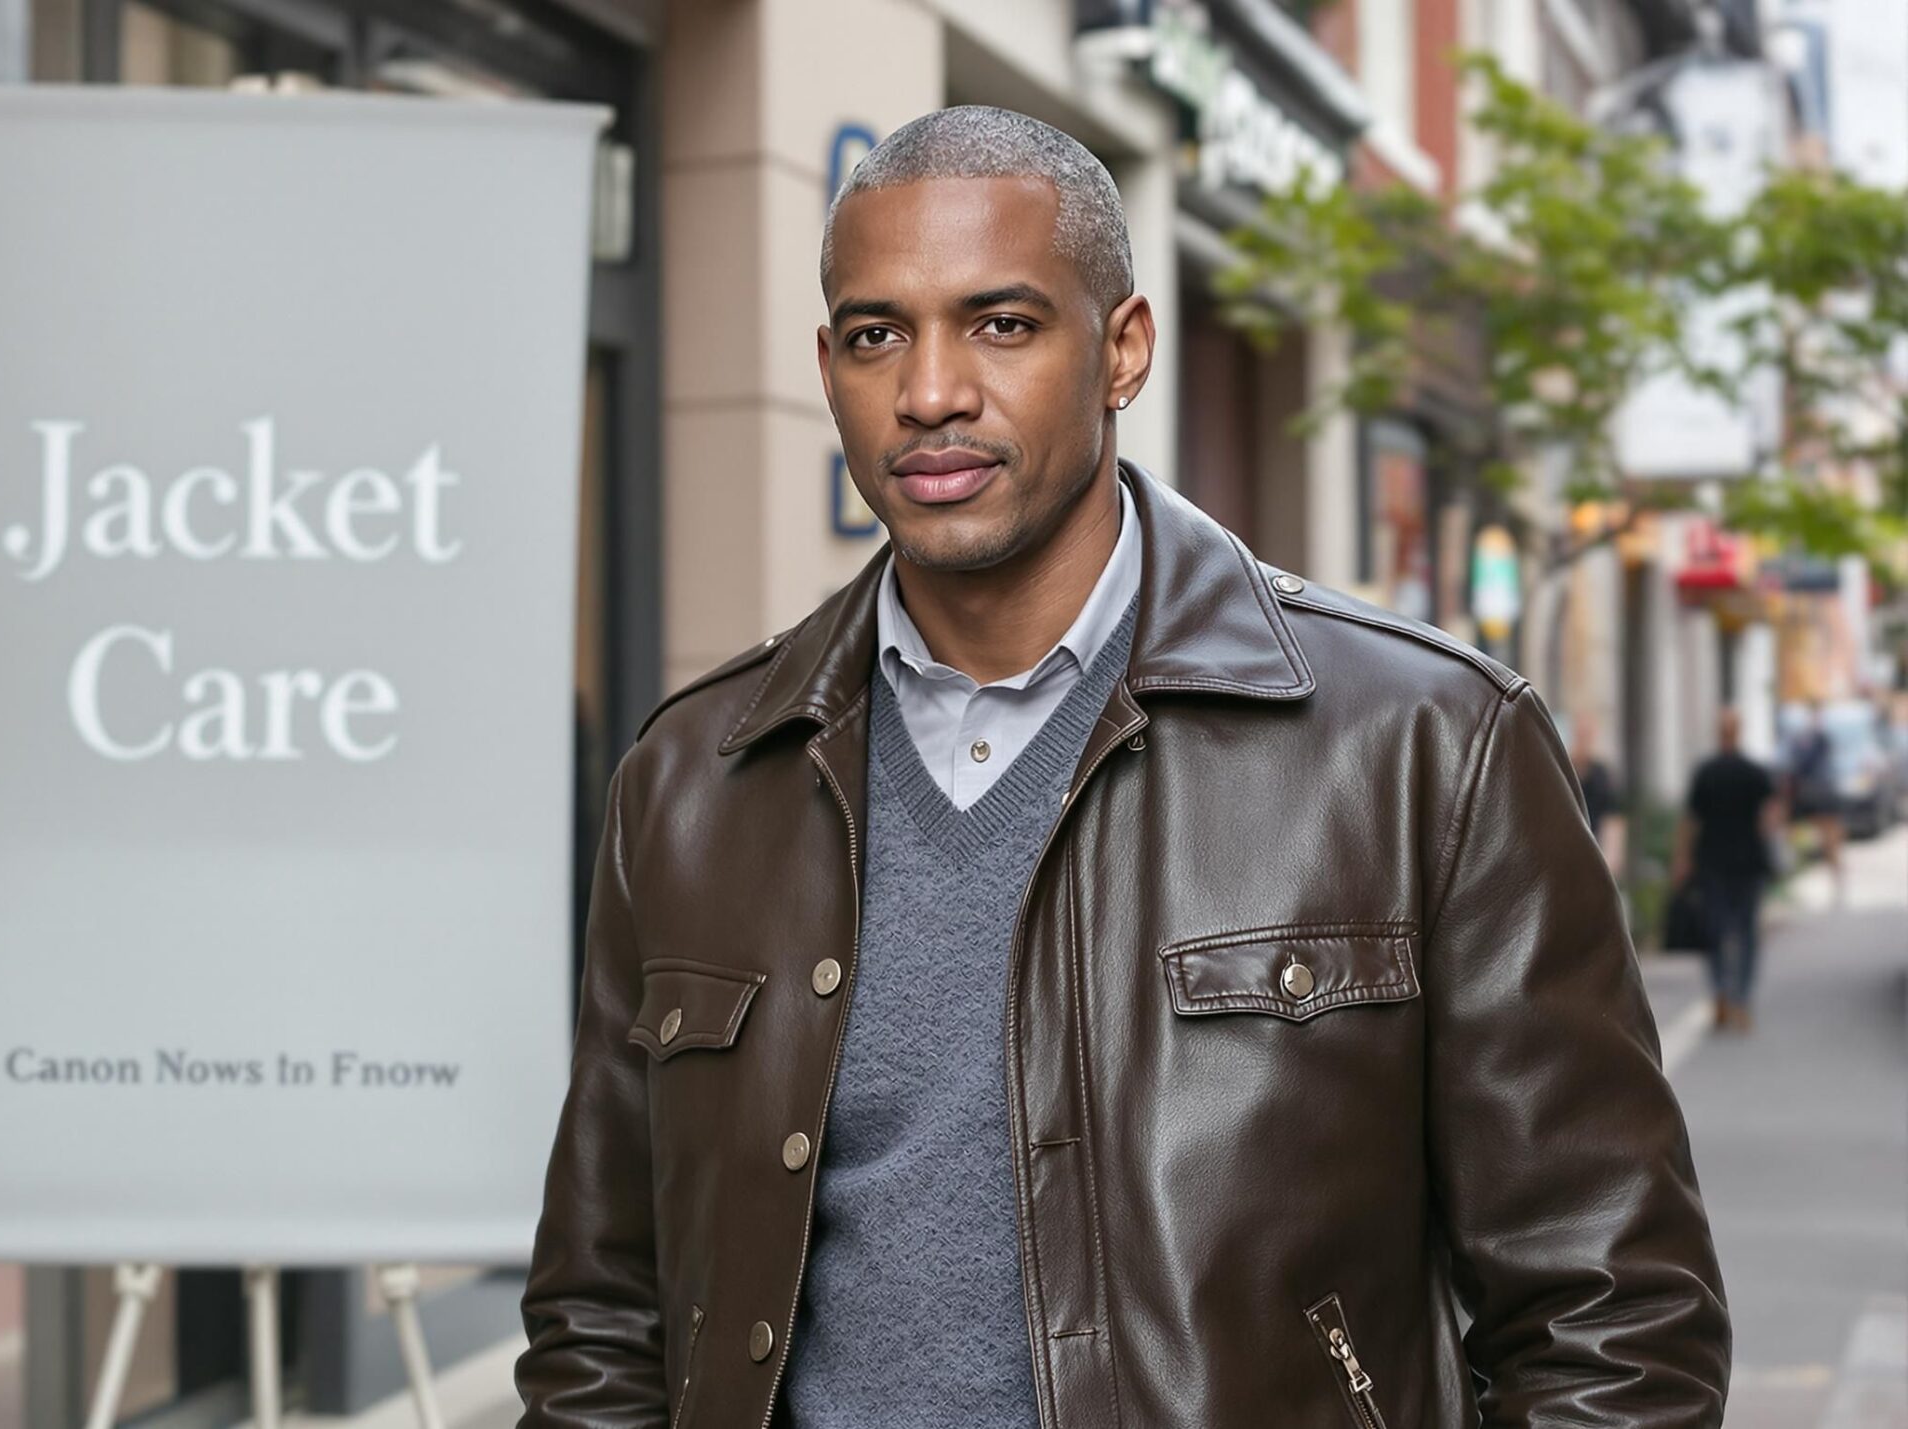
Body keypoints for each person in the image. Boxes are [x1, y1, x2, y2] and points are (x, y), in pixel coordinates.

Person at [515, 107, 1727, 1428]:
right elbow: (604, 1316)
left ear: (1123, 349)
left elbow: (1613, 1322)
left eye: (1002, 323)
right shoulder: (696, 777)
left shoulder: (1422, 741)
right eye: (878, 335)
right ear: (828, 366)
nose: (930, 393)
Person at [1675, 708, 1782, 1031]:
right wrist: (1766, 837)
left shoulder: (1706, 772)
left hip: (1712, 862)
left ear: (1719, 732)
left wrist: (1682, 859)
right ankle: (1742, 999)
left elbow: (1691, 821)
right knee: (1747, 932)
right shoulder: (1754, 772)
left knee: (1716, 930)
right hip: (1748, 861)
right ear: (1739, 732)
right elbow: (1772, 813)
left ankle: (1721, 989)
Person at [1783, 700, 1843, 904]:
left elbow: (1800, 765)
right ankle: (1797, 876)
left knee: (1829, 839)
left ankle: (1835, 881)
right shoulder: (1802, 738)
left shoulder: (1819, 738)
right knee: (1803, 837)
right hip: (1811, 793)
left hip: (1818, 793)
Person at [1569, 711, 1626, 879]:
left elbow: (1613, 819)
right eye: (1580, 734)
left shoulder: (1602, 775)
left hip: (1596, 853)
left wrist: (1610, 861)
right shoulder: (1563, 772)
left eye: (1587, 734)